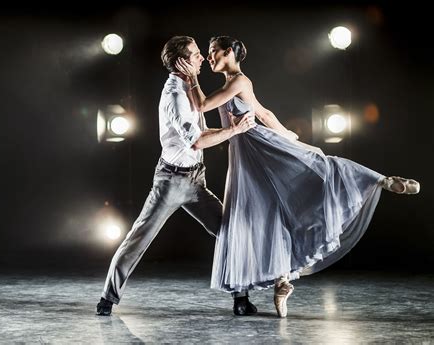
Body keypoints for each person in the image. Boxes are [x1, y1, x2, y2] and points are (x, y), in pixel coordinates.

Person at [175, 35, 420, 318]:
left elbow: (203, 105)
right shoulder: (234, 85)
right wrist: (286, 132)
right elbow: (263, 112)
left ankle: (380, 180)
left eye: (213, 51)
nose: (209, 57)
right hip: (245, 157)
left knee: (318, 167)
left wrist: (191, 77)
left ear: (229, 52)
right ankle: (282, 280)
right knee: (266, 213)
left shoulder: (239, 81)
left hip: (259, 149)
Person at [96, 36, 257, 317]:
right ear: (181, 62)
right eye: (195, 54)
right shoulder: (174, 94)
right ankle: (107, 298)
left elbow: (205, 108)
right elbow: (196, 141)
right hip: (171, 181)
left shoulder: (189, 84)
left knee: (230, 232)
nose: (202, 58)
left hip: (196, 181)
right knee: (139, 238)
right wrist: (234, 130)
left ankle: (241, 299)